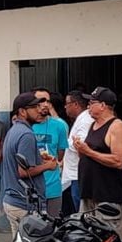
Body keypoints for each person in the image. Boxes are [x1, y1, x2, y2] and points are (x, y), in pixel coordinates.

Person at [73, 87, 122, 239]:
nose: (88, 107)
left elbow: (118, 161)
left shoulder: (117, 126)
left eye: (92, 103)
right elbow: (88, 156)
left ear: (103, 105)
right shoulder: (93, 125)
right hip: (89, 193)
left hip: (107, 196)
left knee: (108, 241)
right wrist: (80, 148)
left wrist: (88, 152)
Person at [0, 92, 55, 235]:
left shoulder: (14, 131)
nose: (40, 110)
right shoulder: (26, 135)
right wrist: (47, 166)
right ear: (22, 112)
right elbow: (23, 172)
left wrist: (40, 160)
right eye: (34, 107)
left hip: (14, 201)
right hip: (24, 204)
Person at [32, 88, 69, 219]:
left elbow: (61, 153)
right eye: (41, 101)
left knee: (52, 226)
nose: (45, 104)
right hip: (32, 187)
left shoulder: (59, 126)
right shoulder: (26, 126)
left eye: (48, 101)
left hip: (53, 186)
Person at [61, 90, 94, 219]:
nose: (65, 107)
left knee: (82, 214)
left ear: (75, 104)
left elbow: (82, 146)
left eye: (67, 103)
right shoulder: (81, 119)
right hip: (74, 175)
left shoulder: (85, 120)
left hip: (78, 175)